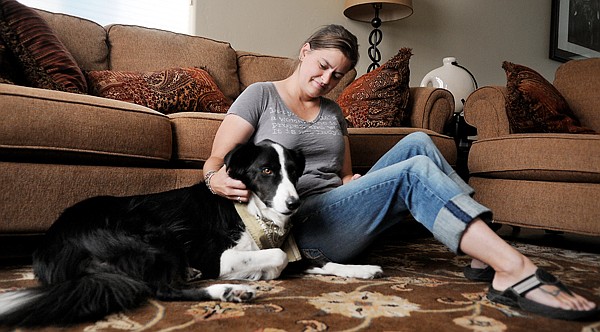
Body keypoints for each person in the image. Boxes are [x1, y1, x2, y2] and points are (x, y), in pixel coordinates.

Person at [203, 24, 598, 320]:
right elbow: (216, 161)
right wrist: (214, 179)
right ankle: (512, 269)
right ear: (305, 52)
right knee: (411, 172)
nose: (326, 81)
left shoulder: (333, 111)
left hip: (337, 208)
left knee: (419, 144)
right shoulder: (261, 95)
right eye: (322, 66)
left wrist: (356, 185)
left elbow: (342, 174)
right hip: (296, 225)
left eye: (337, 76)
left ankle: (482, 253)